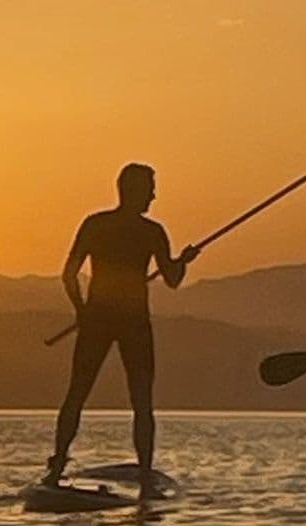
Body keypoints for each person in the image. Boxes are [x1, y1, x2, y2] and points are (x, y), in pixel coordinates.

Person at [43, 163, 199, 498]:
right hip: (129, 322)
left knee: (78, 395)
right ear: (133, 189)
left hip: (102, 319)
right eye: (150, 188)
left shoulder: (98, 225)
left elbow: (70, 275)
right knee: (139, 402)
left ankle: (57, 467)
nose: (155, 195)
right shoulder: (150, 232)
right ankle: (142, 473)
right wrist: (181, 262)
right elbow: (172, 279)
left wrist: (82, 310)